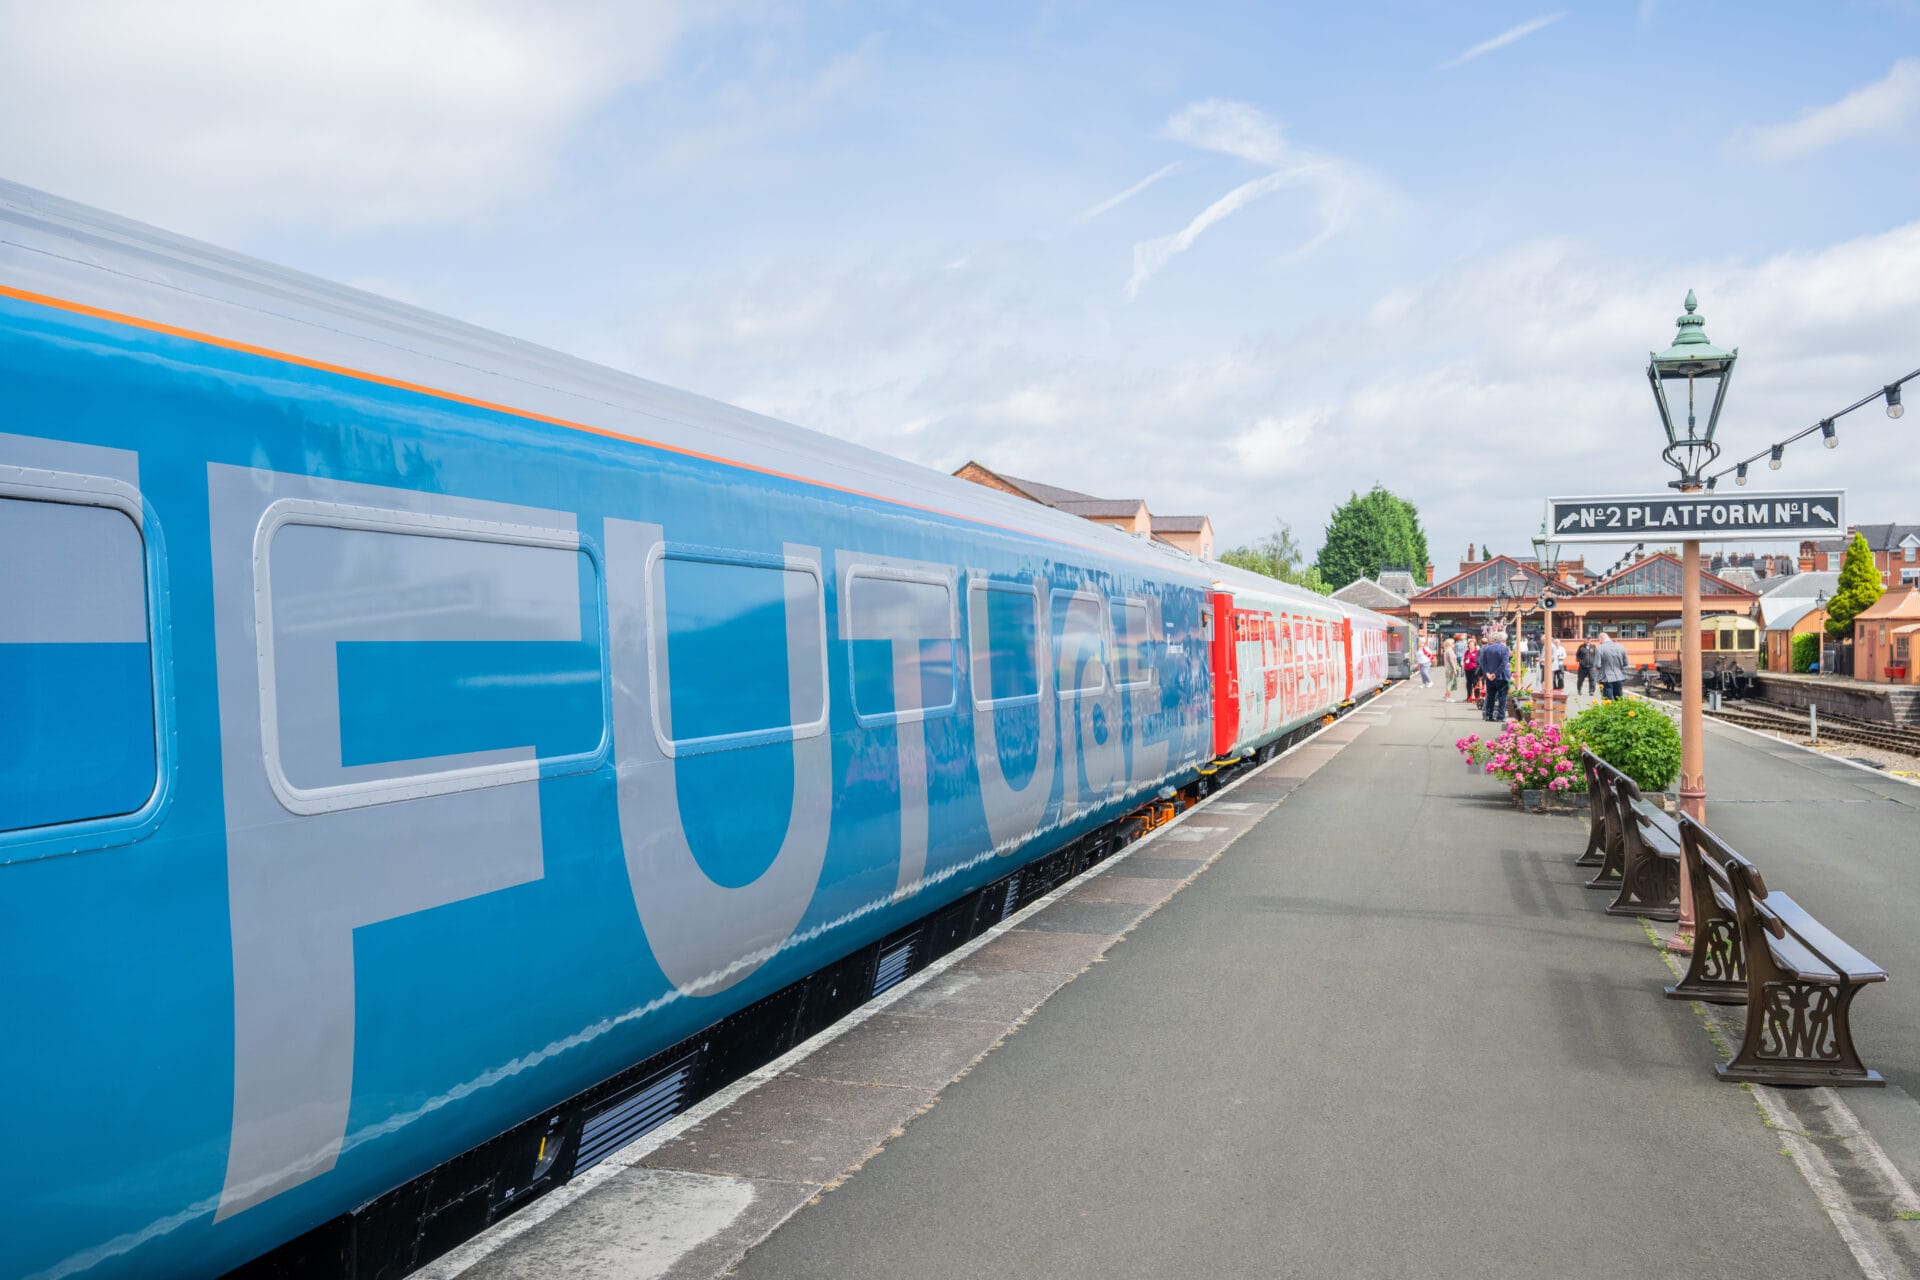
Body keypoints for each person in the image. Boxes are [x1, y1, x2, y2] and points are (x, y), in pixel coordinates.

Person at [1478, 630, 1512, 723]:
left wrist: (1488, 673)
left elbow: (1483, 662)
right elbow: (1504, 664)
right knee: (1502, 697)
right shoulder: (1504, 649)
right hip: (1501, 676)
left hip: (1489, 677)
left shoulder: (1486, 648)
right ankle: (1501, 716)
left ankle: (1489, 715)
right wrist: (1495, 674)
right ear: (1502, 640)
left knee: (1490, 696)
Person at [1594, 631, 1631, 701]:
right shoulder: (1620, 646)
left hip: (1606, 678)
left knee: (1607, 701)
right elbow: (1626, 663)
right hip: (1619, 677)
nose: (1599, 642)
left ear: (1601, 638)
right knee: (1619, 700)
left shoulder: (1599, 648)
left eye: (1599, 640)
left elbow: (1598, 665)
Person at [1440, 635, 1460, 702]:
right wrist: (1454, 669)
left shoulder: (1446, 650)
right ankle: (1448, 697)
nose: (1454, 644)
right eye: (1453, 643)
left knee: (1448, 682)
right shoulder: (1450, 651)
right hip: (1450, 668)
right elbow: (1451, 661)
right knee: (1449, 683)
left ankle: (1446, 695)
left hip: (1447, 668)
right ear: (1450, 644)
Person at [1463, 640, 1480, 707]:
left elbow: (1477, 660)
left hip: (1474, 669)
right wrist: (1465, 660)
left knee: (1475, 682)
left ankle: (1477, 697)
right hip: (1467, 669)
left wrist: (1472, 659)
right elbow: (1464, 658)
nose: (1471, 645)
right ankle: (1468, 697)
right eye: (1470, 644)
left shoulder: (1477, 652)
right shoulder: (1467, 652)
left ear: (1475, 645)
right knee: (1468, 683)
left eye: (1472, 644)